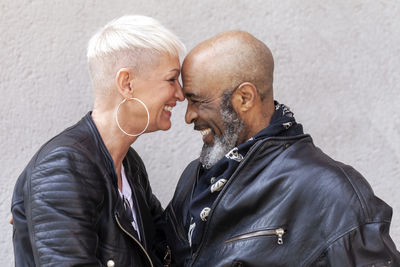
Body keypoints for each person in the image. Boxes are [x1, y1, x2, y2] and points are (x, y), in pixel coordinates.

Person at [162, 30, 400, 266]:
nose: (189, 116)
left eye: (197, 101)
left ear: (245, 98)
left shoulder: (333, 193)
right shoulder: (193, 177)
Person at [11, 15, 185, 267]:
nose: (179, 94)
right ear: (127, 84)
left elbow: (165, 247)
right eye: (171, 79)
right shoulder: (62, 168)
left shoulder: (129, 163)